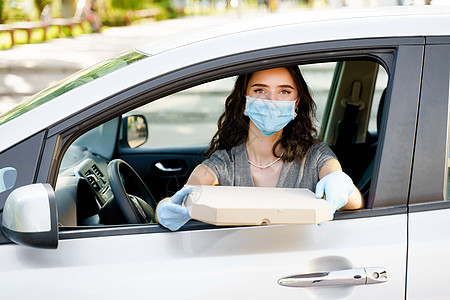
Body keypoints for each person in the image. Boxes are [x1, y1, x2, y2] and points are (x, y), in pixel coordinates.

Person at [156, 66, 364, 231]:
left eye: (284, 91)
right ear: (245, 99)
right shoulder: (222, 165)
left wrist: (341, 184)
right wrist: (163, 209)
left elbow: (354, 199)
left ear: (296, 102)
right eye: (260, 90)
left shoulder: (316, 155)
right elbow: (177, 203)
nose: (272, 101)